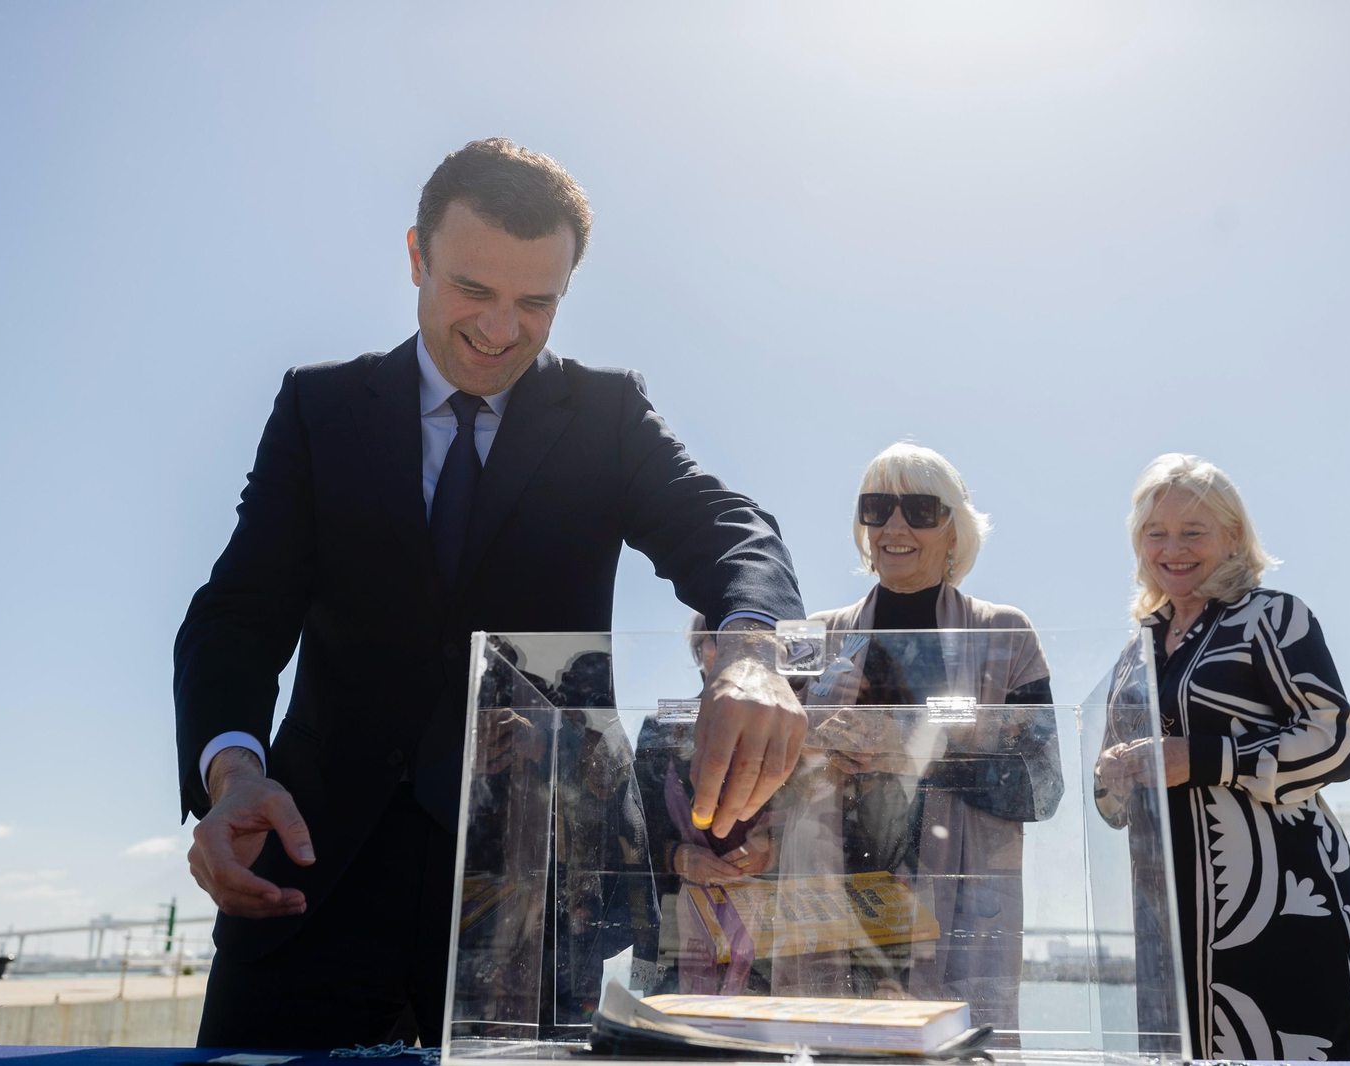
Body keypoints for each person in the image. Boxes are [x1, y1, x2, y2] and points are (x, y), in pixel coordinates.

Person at [174, 138, 806, 1048]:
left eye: (535, 303)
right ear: (416, 257)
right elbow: (240, 612)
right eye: (473, 291)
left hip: (532, 898)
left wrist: (751, 649)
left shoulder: (606, 414)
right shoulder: (320, 409)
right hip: (309, 876)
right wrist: (233, 775)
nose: (500, 330)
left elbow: (726, 526)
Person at [1095, 454, 1350, 1061]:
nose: (1173, 548)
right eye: (1156, 533)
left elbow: (1337, 741)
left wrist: (1202, 759)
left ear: (1232, 536)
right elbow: (1114, 805)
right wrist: (1111, 777)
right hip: (1166, 919)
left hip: (1280, 904)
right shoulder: (1132, 652)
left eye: (1193, 531)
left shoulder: (1272, 617)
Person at [780, 443, 1064, 1033]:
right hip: (831, 926)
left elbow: (1042, 786)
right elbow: (770, 780)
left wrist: (913, 756)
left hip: (956, 925)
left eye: (920, 509)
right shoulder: (811, 640)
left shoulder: (1006, 635)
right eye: (877, 508)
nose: (895, 526)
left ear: (954, 530)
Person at [632, 613, 781, 994]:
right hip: (676, 928)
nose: (727, 649)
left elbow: (811, 816)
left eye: (739, 640)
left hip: (767, 932)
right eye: (715, 639)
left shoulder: (782, 725)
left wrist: (772, 849)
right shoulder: (660, 725)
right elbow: (634, 830)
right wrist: (677, 857)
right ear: (700, 652)